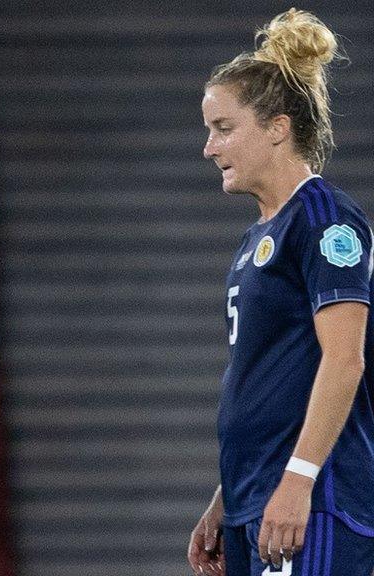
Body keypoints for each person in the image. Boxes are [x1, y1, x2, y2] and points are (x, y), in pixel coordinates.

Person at [188, 8, 374, 576]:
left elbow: (345, 360)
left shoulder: (324, 218)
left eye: (223, 128)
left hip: (315, 502)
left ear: (277, 127)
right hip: (256, 501)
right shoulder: (256, 238)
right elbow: (267, 378)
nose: (208, 147)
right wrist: (225, 497)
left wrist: (300, 479)